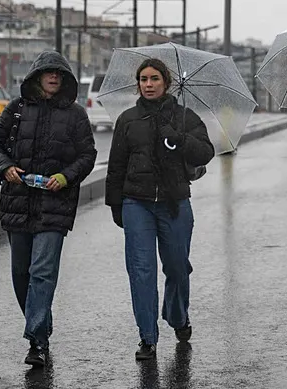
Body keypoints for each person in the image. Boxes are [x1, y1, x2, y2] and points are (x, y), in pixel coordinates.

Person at [0, 50, 97, 368]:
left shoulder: (75, 115)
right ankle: (41, 326)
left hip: (54, 205)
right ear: (36, 76)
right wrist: (5, 166)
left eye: (59, 73)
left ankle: (36, 342)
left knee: (42, 273)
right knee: (21, 273)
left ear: (65, 80)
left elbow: (88, 155)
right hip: (17, 202)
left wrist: (66, 176)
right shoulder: (16, 109)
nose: (54, 77)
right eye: (49, 72)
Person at [105, 58, 214, 361]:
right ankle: (147, 337)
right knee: (141, 271)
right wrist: (116, 204)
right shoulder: (127, 120)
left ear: (166, 82)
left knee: (178, 268)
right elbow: (116, 166)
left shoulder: (184, 117)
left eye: (154, 78)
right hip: (135, 203)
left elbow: (207, 151)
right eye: (143, 79)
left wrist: (178, 137)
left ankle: (178, 316)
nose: (148, 84)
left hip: (174, 202)